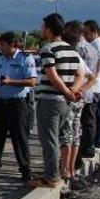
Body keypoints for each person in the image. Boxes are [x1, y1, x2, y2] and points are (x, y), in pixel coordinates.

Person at [32, 13, 82, 188]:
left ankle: (51, 177)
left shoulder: (48, 49)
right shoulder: (71, 50)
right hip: (64, 102)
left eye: (43, 26)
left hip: (50, 100)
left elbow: (52, 76)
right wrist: (72, 91)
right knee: (57, 138)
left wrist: (67, 92)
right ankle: (51, 172)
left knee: (49, 139)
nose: (41, 29)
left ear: (49, 29)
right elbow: (79, 75)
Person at [0, 32, 37, 182]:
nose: (0, 47)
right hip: (0, 102)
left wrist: (11, 81)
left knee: (19, 138)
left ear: (12, 45)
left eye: (3, 45)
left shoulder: (25, 58)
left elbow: (32, 81)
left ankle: (25, 169)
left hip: (17, 103)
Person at [60, 21, 97, 186]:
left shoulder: (72, 52)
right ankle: (71, 169)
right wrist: (81, 90)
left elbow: (80, 75)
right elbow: (92, 77)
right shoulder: (91, 48)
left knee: (67, 135)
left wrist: (73, 90)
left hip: (69, 98)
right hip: (80, 99)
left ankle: (65, 169)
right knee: (75, 134)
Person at [82, 20, 100, 151]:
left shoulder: (96, 47)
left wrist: (85, 87)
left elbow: (95, 70)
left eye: (86, 32)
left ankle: (88, 147)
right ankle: (89, 146)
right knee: (90, 118)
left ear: (94, 31)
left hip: (92, 88)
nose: (84, 35)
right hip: (95, 86)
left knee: (88, 119)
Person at [74, 21, 100, 158]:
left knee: (77, 125)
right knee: (88, 122)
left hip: (79, 89)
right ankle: (88, 148)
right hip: (89, 89)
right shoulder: (92, 48)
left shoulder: (79, 48)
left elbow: (79, 70)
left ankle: (81, 152)